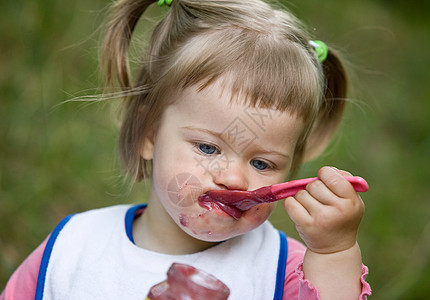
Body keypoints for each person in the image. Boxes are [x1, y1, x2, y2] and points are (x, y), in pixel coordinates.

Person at [1, 0, 372, 299]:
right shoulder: (75, 248)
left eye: (262, 162)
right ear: (150, 132)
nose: (234, 177)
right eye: (208, 148)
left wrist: (333, 252)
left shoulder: (283, 269)